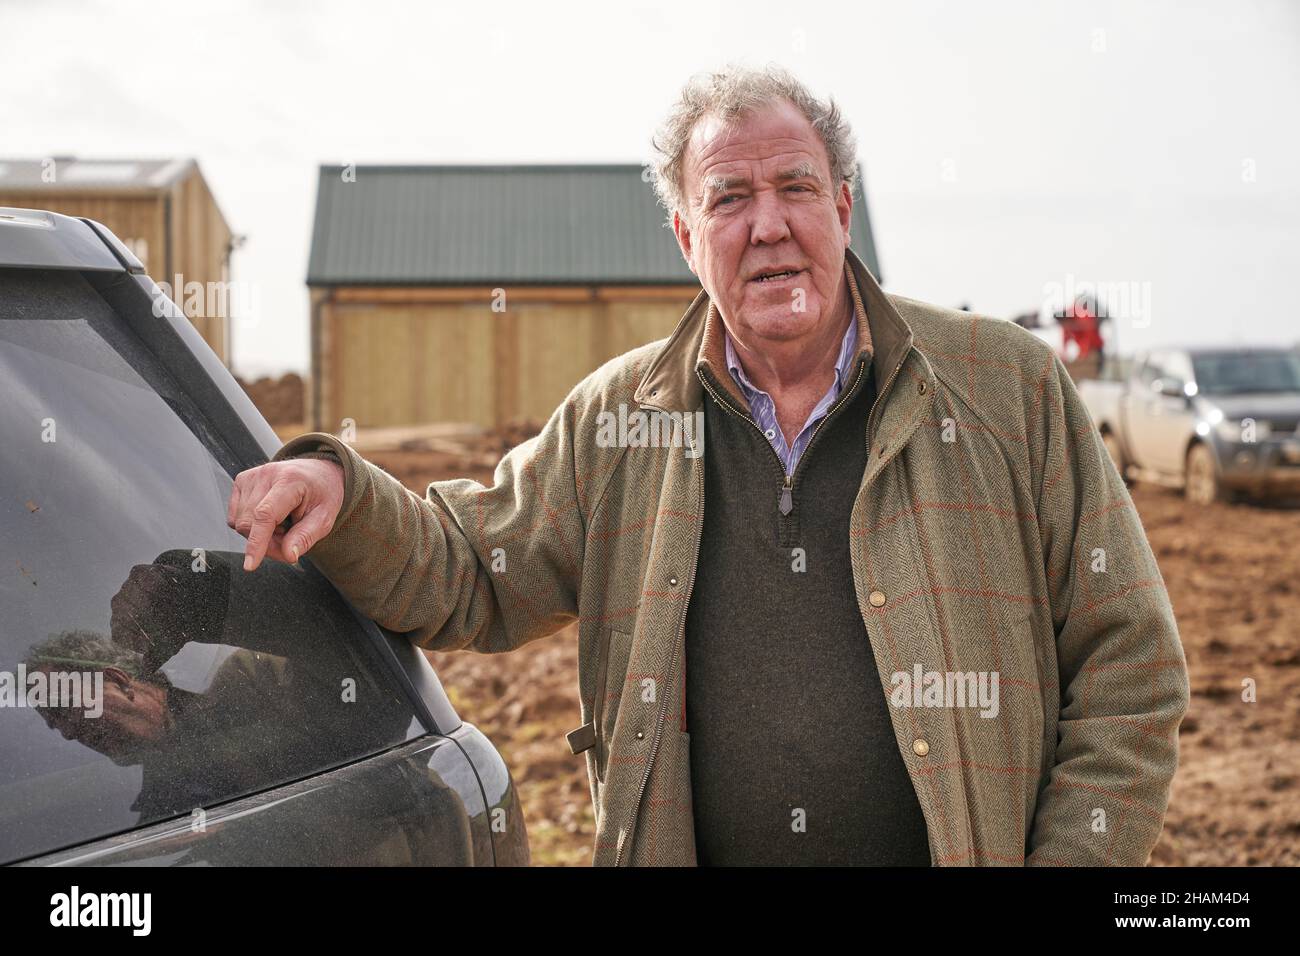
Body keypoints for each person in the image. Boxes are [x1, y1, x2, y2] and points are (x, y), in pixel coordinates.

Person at [228, 63, 1189, 867]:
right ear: (688, 239)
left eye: (797, 189)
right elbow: (472, 569)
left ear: (843, 208)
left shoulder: (1002, 388)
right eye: (729, 199)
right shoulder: (622, 419)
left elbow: (1129, 664)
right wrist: (342, 492)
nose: (768, 225)